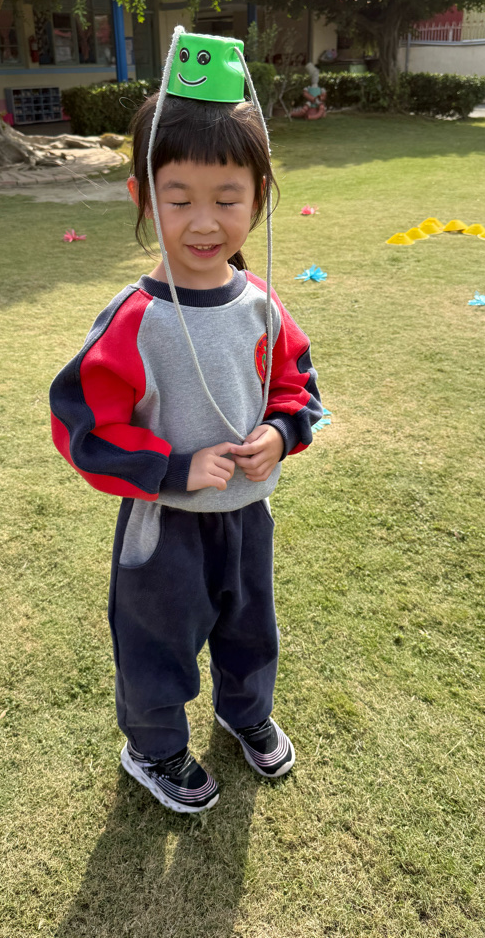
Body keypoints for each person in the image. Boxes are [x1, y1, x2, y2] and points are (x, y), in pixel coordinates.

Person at [49, 76, 323, 814]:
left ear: (259, 199)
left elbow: (297, 385)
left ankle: (245, 713)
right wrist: (173, 466)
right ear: (144, 198)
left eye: (228, 199)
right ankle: (154, 746)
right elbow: (82, 426)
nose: (205, 223)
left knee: (250, 628)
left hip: (247, 515)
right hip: (163, 526)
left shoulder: (262, 303)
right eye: (179, 200)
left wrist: (280, 432)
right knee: (157, 645)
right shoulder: (134, 319)